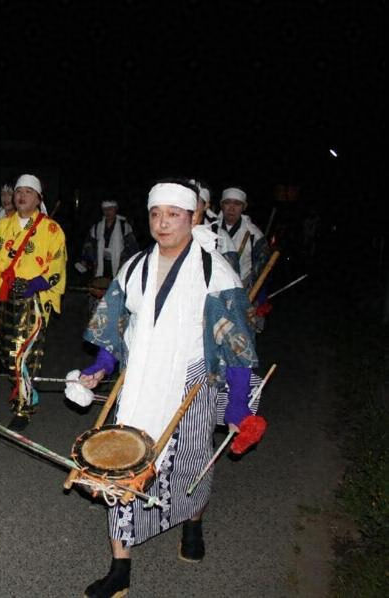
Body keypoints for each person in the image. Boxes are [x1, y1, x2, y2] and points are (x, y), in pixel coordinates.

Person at [76, 180, 259, 597]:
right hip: (140, 380)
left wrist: (238, 405)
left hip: (190, 383)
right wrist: (101, 365)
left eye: (173, 215)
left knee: (191, 464)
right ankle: (120, 568)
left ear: (193, 218)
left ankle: (192, 522)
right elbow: (114, 321)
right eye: (156, 214)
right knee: (121, 466)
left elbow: (236, 343)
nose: (162, 223)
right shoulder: (134, 267)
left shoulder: (215, 272)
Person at [0, 174, 66, 429]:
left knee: (26, 355)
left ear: (38, 198)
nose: (22, 196)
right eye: (18, 191)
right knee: (7, 355)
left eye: (28, 192)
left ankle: (24, 408)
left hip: (32, 301)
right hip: (5, 298)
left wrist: (35, 283)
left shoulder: (51, 230)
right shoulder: (2, 226)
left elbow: (57, 265)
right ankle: (24, 393)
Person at [211, 187, 270, 288]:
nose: (231, 208)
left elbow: (262, 268)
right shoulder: (210, 228)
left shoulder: (254, 235)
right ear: (221, 205)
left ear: (244, 207)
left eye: (237, 204)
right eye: (227, 203)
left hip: (240, 287)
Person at [75, 199, 138, 279]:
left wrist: (126, 262)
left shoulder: (125, 227)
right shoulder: (97, 227)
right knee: (100, 283)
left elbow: (132, 246)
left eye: (110, 209)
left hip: (119, 262)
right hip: (101, 262)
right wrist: (85, 260)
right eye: (105, 209)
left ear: (115, 209)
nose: (107, 212)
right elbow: (89, 245)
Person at [190, 179, 239, 274]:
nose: (190, 204)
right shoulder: (169, 228)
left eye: (196, 200)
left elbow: (231, 273)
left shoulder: (220, 237)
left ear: (206, 205)